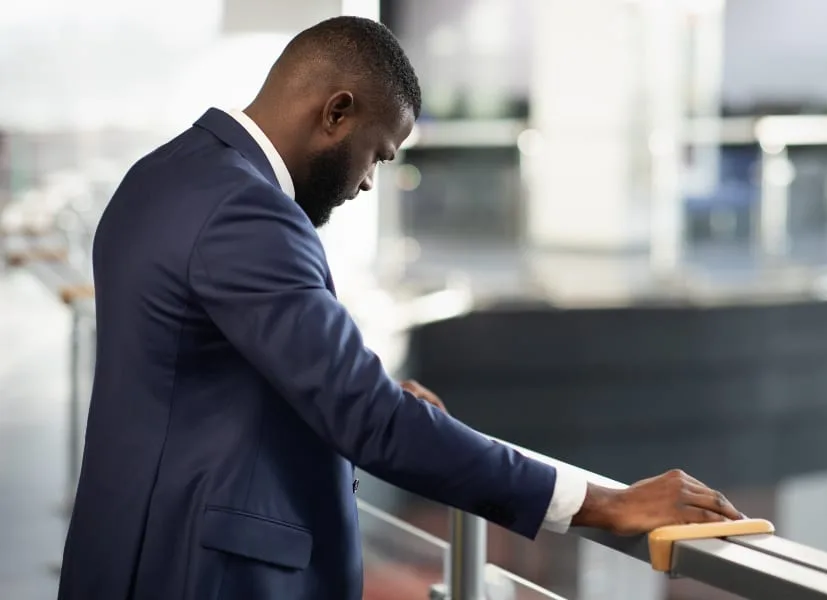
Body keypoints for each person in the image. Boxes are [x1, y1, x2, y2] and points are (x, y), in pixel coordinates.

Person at [57, 16, 743, 600]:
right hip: (201, 574)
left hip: (129, 550)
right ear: (336, 112)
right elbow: (368, 418)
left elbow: (207, 373)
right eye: (376, 155)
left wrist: (375, 399)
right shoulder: (249, 213)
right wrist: (602, 502)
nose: (365, 183)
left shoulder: (166, 172)